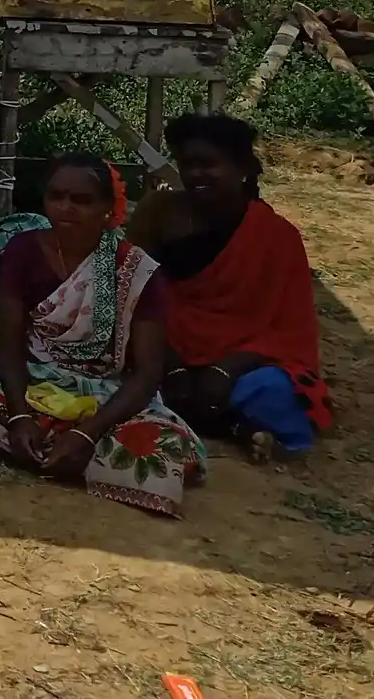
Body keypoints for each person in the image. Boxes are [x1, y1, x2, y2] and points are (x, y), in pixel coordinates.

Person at [0, 153, 206, 517]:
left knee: (168, 454)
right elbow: (11, 346)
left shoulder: (137, 270)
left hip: (105, 395)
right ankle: (44, 445)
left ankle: (27, 445)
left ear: (109, 209)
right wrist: (18, 415)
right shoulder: (23, 251)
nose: (66, 208)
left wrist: (86, 432)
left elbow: (145, 376)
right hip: (35, 383)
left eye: (82, 200)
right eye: (57, 196)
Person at [133, 113, 331, 461]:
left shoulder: (276, 236)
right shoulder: (158, 211)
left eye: (208, 164)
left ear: (241, 167)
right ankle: (235, 427)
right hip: (162, 345)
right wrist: (171, 364)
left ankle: (209, 413)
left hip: (242, 362)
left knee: (271, 391)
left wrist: (225, 370)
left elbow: (288, 327)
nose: (195, 174)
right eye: (186, 164)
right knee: (120, 374)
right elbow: (132, 291)